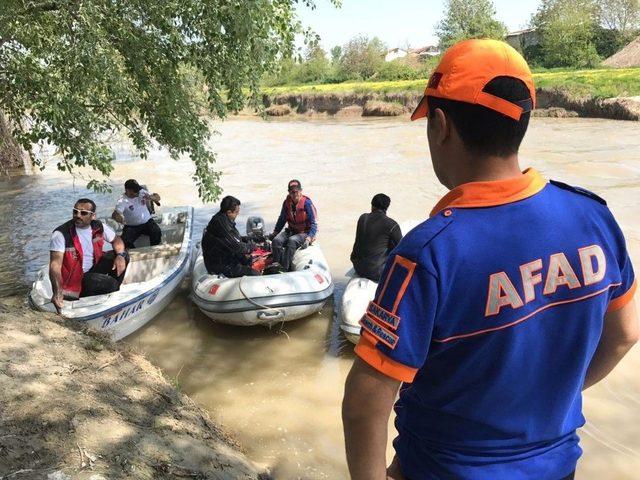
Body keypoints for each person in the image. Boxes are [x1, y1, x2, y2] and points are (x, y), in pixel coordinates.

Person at [342, 39, 638, 480]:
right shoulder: (593, 217)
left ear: (440, 125)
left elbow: (365, 403)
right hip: (557, 467)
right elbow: (625, 333)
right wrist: (548, 401)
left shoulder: (429, 252)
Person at [49, 198, 129, 313]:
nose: (78, 215)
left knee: (124, 255)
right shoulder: (60, 234)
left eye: (83, 213)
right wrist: (57, 292)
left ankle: (112, 290)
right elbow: (55, 265)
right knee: (110, 283)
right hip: (76, 279)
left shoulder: (98, 226)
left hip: (93, 269)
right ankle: (111, 289)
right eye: (75, 212)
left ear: (93, 216)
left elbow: (117, 240)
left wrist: (120, 255)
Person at [201, 195, 260, 278]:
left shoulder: (222, 218)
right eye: (236, 212)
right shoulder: (221, 224)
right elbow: (237, 246)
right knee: (255, 274)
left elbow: (234, 238)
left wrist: (251, 239)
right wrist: (251, 247)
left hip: (224, 258)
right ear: (229, 212)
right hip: (220, 265)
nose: (238, 214)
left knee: (247, 259)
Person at [350, 193, 402, 282]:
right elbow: (401, 247)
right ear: (387, 207)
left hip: (357, 266)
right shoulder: (392, 225)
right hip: (377, 272)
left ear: (372, 205)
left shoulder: (363, 218)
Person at [268, 179, 318, 271]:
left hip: (305, 232)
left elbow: (314, 224)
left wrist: (309, 238)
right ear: (289, 192)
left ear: (300, 191)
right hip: (291, 230)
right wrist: (275, 232)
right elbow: (282, 219)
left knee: (292, 240)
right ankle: (275, 265)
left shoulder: (307, 203)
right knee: (276, 241)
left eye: (296, 191)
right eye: (292, 192)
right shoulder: (286, 203)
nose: (294, 194)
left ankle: (284, 269)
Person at [112, 179, 162, 249]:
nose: (138, 192)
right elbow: (115, 215)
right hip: (132, 226)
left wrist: (151, 197)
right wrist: (120, 219)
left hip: (147, 222)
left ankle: (154, 249)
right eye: (135, 191)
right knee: (124, 242)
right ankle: (134, 253)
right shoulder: (122, 201)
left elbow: (157, 197)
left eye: (138, 189)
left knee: (157, 232)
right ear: (128, 190)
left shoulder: (142, 192)